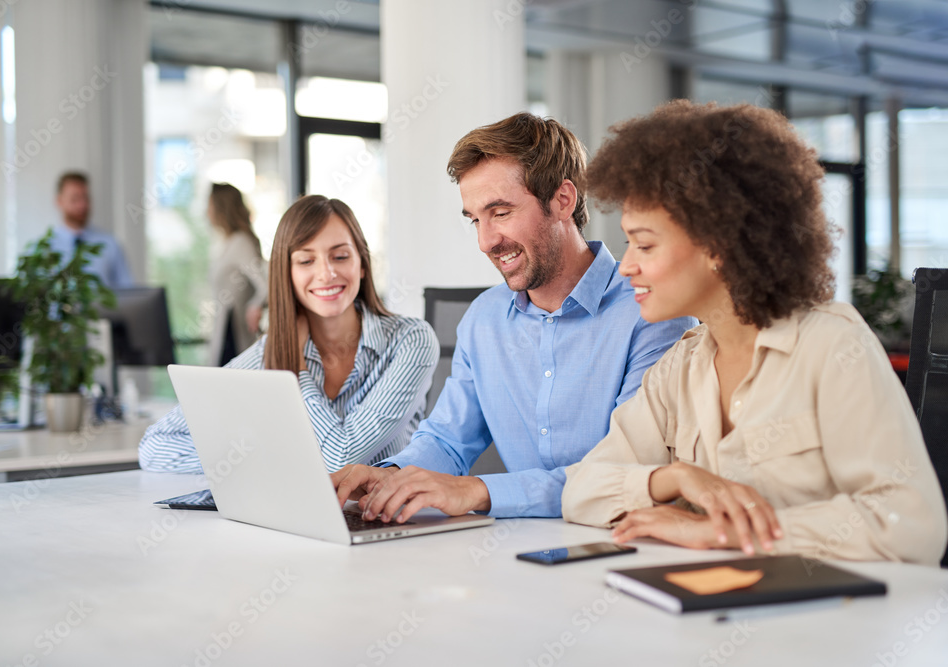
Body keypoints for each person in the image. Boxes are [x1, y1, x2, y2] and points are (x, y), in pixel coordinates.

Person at [561, 100, 948, 565]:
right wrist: (677, 479)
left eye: (645, 244)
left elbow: (913, 525)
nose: (626, 267)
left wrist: (721, 534)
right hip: (718, 612)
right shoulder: (680, 367)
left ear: (719, 247)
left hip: (831, 620)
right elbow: (581, 491)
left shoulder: (831, 344)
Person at [331, 113, 696, 522]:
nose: (486, 241)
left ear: (563, 200)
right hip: (516, 551)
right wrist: (390, 479)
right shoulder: (483, 320)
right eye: (475, 220)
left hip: (615, 544)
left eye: (500, 212)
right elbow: (449, 439)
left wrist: (477, 491)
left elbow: (621, 475)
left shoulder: (654, 313)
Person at [139, 195, 439, 473]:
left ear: (362, 264)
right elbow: (155, 446)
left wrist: (296, 371)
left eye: (340, 256)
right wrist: (259, 455)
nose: (326, 273)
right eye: (306, 261)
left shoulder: (410, 341)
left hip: (389, 521)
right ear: (287, 273)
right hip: (298, 522)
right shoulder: (267, 353)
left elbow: (341, 457)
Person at [206, 183, 269, 366]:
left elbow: (265, 284)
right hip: (224, 331)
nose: (206, 211)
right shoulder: (228, 242)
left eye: (210, 205)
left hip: (234, 332)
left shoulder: (241, 243)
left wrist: (255, 305)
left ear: (220, 207)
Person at [49, 171, 134, 288]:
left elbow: (128, 293)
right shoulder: (44, 249)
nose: (82, 205)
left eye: (86, 198)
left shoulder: (110, 244)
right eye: (75, 199)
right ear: (59, 201)